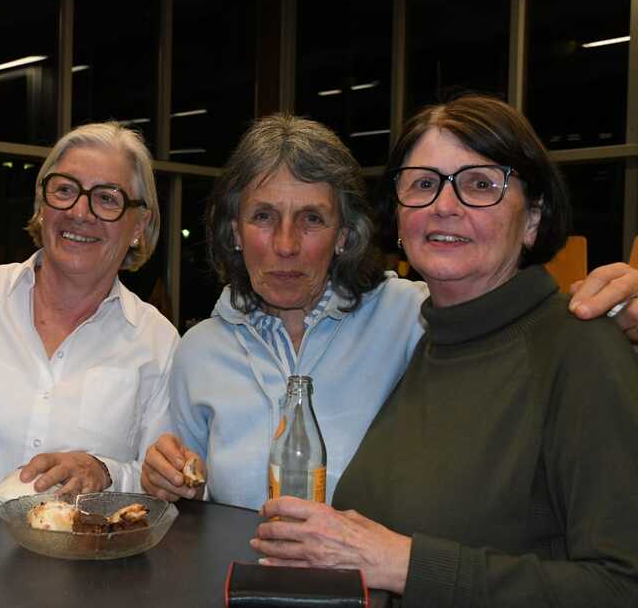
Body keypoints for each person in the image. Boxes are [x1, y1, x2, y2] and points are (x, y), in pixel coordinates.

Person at [141, 113, 638, 512]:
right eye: (263, 216)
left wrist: (618, 313)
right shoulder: (199, 352)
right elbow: (188, 490)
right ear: (234, 231)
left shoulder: (417, 317)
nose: (286, 245)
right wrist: (168, 479)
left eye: (312, 218)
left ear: (344, 235)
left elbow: (515, 333)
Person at [253, 96, 638, 606]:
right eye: (423, 184)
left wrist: (402, 563)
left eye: (479, 184)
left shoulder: (581, 347)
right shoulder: (429, 345)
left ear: (533, 218)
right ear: (399, 215)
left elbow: (620, 586)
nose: (444, 205)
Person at [0, 122, 177, 506]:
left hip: (85, 545)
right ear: (42, 205)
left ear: (139, 224)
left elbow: (160, 480)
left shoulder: (158, 342)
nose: (80, 212)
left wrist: (104, 472)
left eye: (107, 198)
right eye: (65, 190)